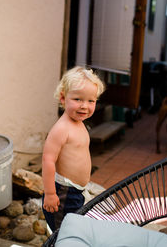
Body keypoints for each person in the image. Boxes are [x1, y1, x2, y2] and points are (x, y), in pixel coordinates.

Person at [42, 66, 105, 231]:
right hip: (63, 193)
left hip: (75, 192)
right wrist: (50, 194)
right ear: (63, 98)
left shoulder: (79, 124)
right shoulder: (62, 128)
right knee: (63, 233)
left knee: (73, 230)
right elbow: (48, 160)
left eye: (91, 101)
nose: (84, 106)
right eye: (78, 99)